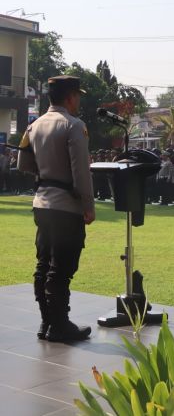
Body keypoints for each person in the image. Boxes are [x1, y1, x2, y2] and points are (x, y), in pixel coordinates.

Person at [16, 75, 94, 342]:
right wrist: (88, 205)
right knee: (61, 268)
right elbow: (81, 172)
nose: (79, 101)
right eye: (78, 96)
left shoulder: (34, 125)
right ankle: (60, 325)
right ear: (70, 97)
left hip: (42, 202)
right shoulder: (74, 125)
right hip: (66, 206)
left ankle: (47, 322)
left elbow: (22, 165)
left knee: (44, 264)